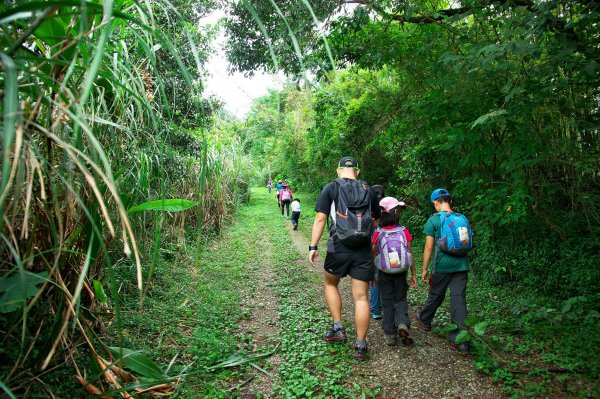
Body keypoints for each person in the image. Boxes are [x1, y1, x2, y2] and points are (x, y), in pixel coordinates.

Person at [308, 156, 381, 361]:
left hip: (338, 246)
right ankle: (360, 345)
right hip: (363, 249)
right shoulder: (369, 190)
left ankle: (338, 327)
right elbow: (375, 219)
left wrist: (313, 246)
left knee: (330, 283)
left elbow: (321, 218)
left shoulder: (331, 187)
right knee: (361, 297)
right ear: (357, 171)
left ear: (339, 170)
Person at [415, 188, 471, 353]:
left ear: (435, 203)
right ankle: (461, 342)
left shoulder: (434, 220)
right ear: (450, 201)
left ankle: (425, 320)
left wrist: (424, 269)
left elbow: (429, 247)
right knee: (458, 299)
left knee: (436, 294)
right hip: (462, 266)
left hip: (441, 266)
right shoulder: (461, 218)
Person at [372, 197, 417, 346]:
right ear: (396, 212)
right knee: (401, 298)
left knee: (387, 300)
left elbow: (374, 253)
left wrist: (373, 273)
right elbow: (409, 252)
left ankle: (390, 334)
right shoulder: (403, 231)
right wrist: (413, 274)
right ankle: (402, 323)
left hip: (384, 272)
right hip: (401, 270)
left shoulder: (378, 232)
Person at [369, 185, 386, 320]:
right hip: (389, 249)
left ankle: (375, 310)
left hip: (374, 247)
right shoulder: (389, 208)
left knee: (374, 277)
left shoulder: (368, 208)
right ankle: (388, 307)